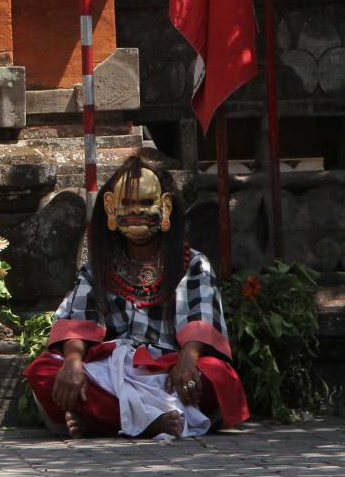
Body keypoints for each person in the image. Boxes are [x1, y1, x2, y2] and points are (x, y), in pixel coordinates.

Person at [22, 151, 249, 438]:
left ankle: (104, 421)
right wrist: (72, 363)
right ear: (111, 208)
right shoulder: (99, 267)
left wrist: (188, 361)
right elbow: (79, 320)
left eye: (145, 203)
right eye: (127, 204)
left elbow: (201, 321)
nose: (136, 212)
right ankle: (148, 422)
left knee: (218, 376)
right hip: (110, 372)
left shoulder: (192, 263)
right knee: (43, 372)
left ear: (165, 208)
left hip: (169, 371)